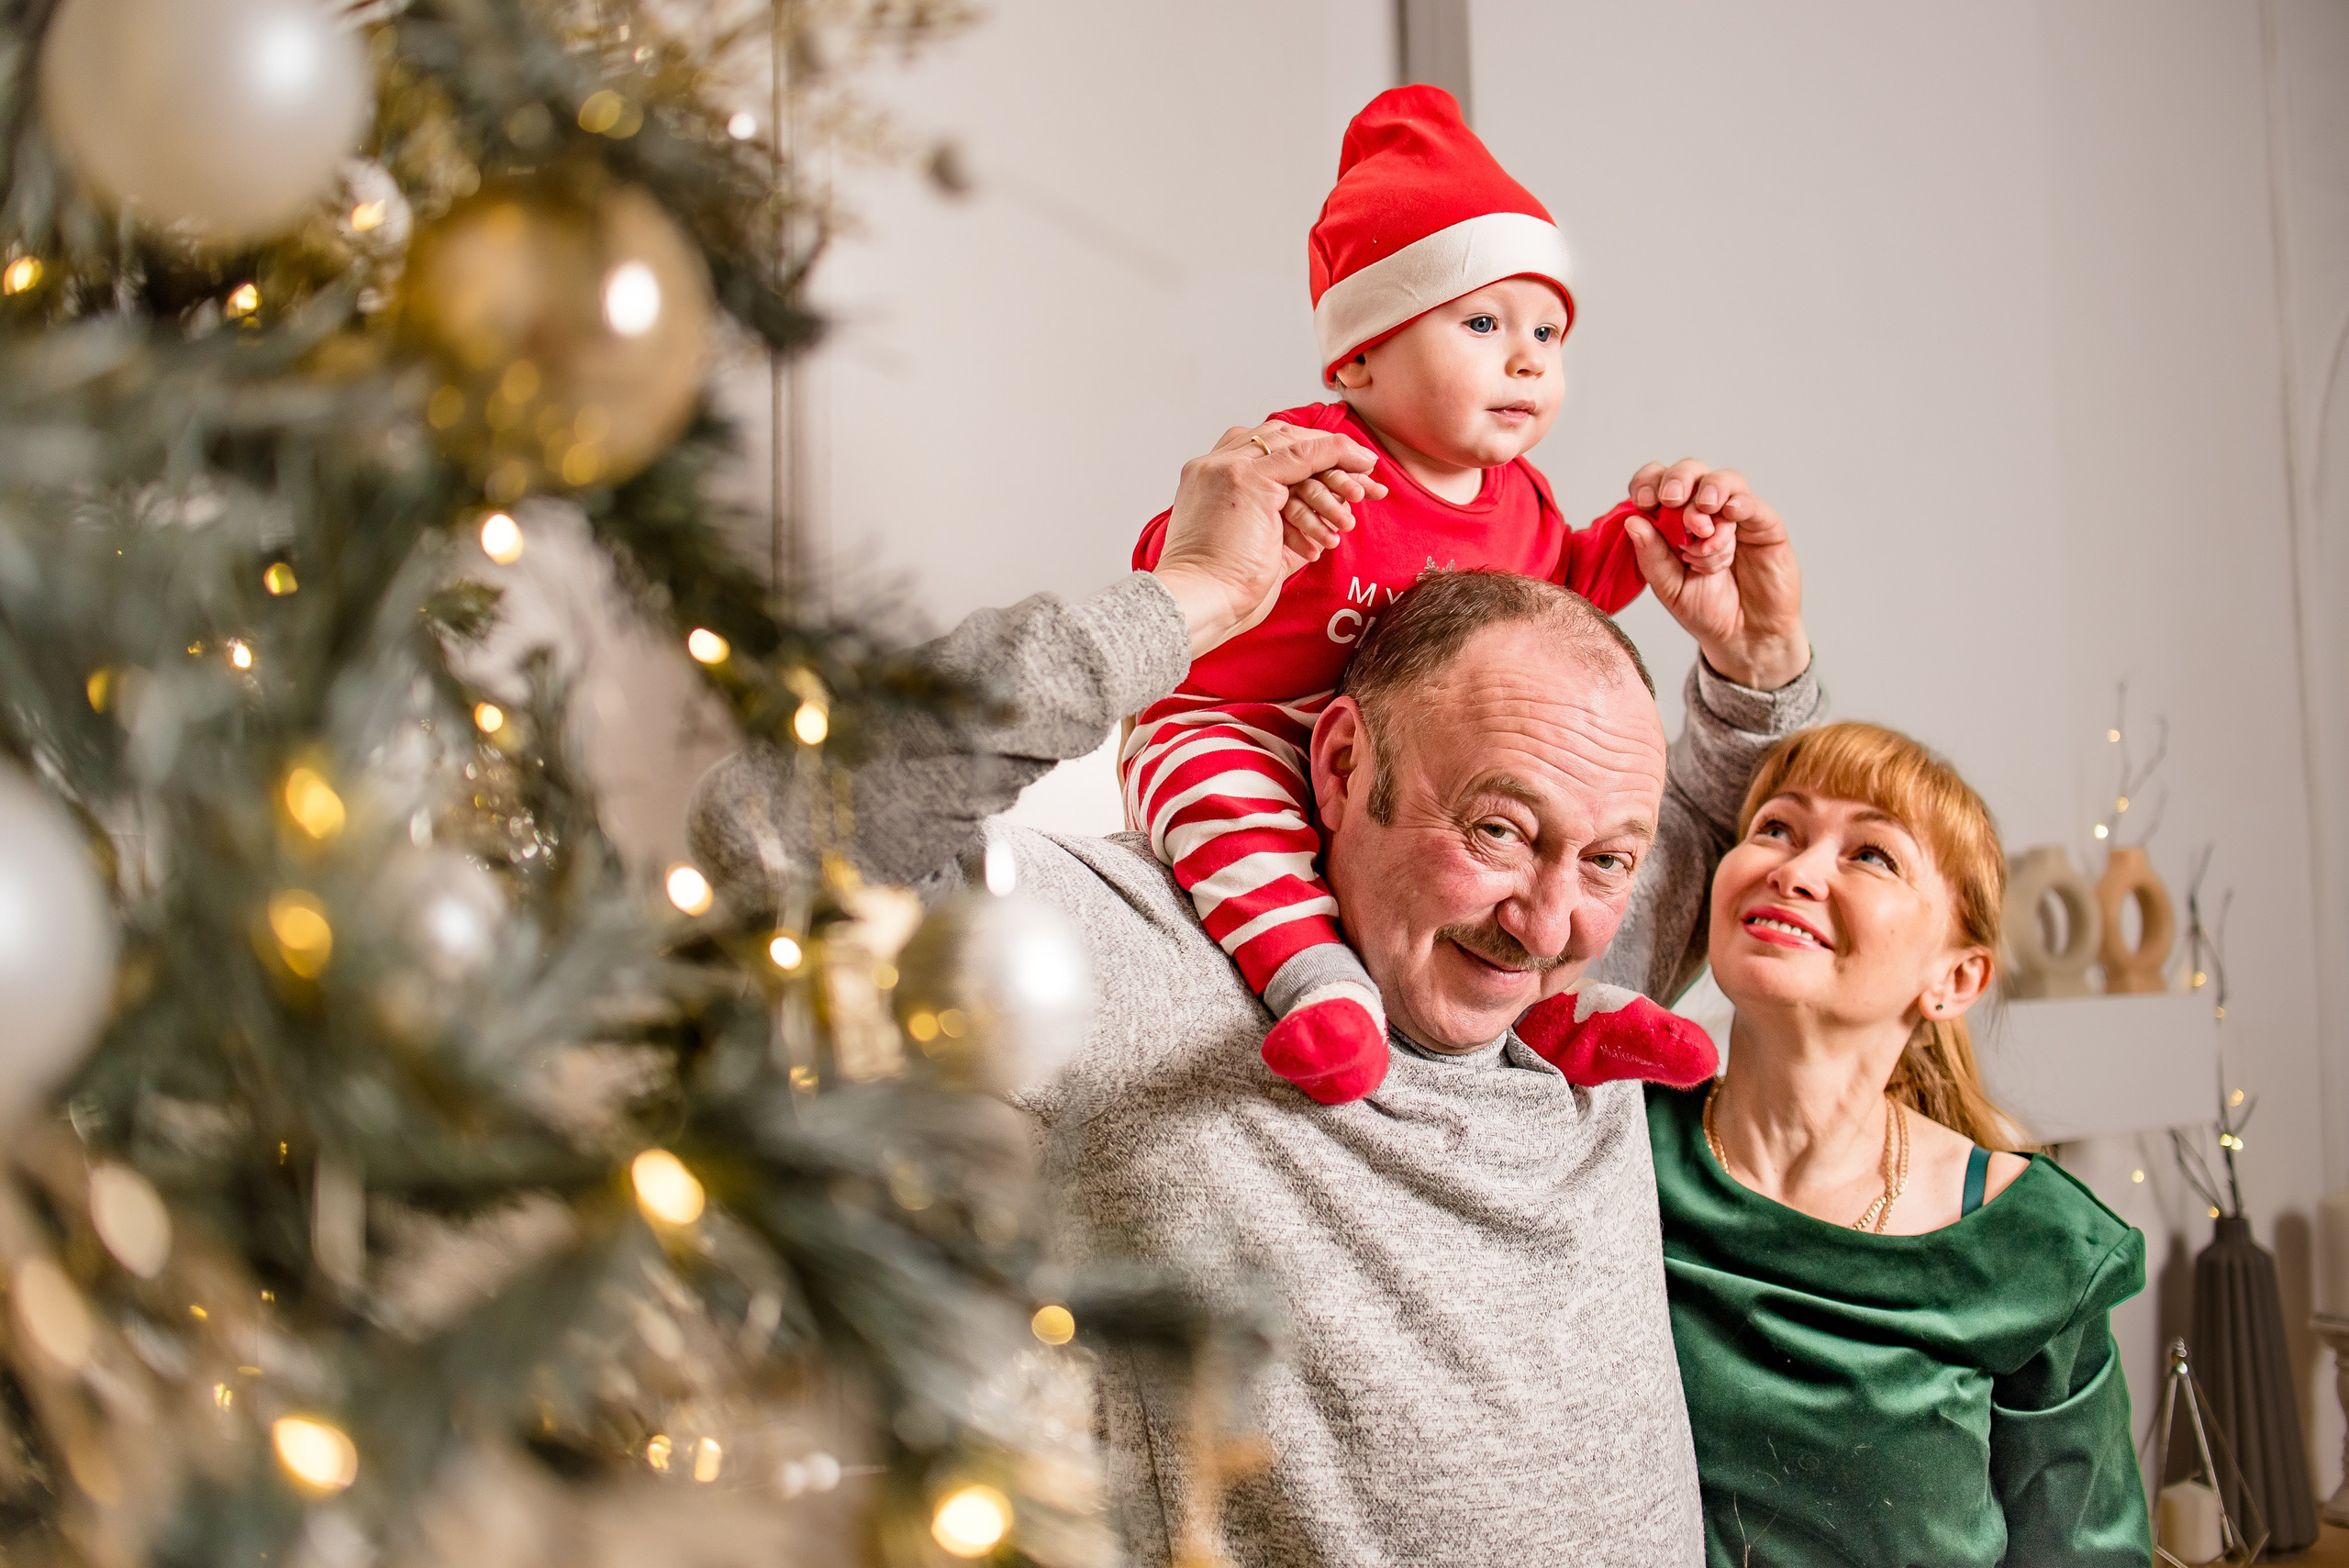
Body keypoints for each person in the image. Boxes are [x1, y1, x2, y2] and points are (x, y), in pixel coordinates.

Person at [691, 424, 1819, 1567]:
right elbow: (771, 830)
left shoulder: (1587, 966)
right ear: (1341, 766)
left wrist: (1758, 659)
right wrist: (1183, 600)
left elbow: (1722, 806)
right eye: (1496, 827)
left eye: (1606, 858)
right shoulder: (1150, 956)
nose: (1545, 919)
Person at [1123, 84, 1726, 1103]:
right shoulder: (1314, 457)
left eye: (1549, 333)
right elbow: (1180, 564)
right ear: (1359, 353)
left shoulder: (1524, 503)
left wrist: (1660, 535)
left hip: (1407, 780)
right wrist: (1247, 536)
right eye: (1484, 322)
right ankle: (1315, 989)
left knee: (1520, 872)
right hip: (1246, 721)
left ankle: (1557, 1009)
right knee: (1219, 810)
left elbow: (1571, 585)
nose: (1527, 358)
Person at [1650, 721, 2150, 1566]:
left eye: (1872, 854)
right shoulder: (1613, 1149)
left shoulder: (2037, 1246)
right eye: (1775, 827)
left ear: (1955, 979)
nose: (1795, 869)